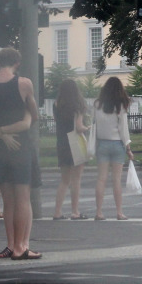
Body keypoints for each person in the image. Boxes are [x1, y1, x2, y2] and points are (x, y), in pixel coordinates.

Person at [0, 47, 40, 260]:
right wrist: (19, 123)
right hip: (20, 146)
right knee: (22, 198)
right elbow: (34, 115)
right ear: (17, 63)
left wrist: (0, 133)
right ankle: (20, 247)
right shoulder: (24, 84)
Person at [93, 77, 133, 221]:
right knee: (116, 180)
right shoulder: (120, 106)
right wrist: (128, 148)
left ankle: (98, 212)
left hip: (102, 144)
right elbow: (123, 130)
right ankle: (119, 212)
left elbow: (94, 125)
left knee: (101, 179)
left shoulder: (97, 104)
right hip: (117, 145)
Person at [53, 79, 90, 220]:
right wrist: (87, 128)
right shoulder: (78, 105)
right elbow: (79, 127)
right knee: (76, 180)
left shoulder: (57, 105)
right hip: (75, 143)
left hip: (62, 142)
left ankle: (57, 212)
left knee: (64, 180)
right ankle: (75, 212)